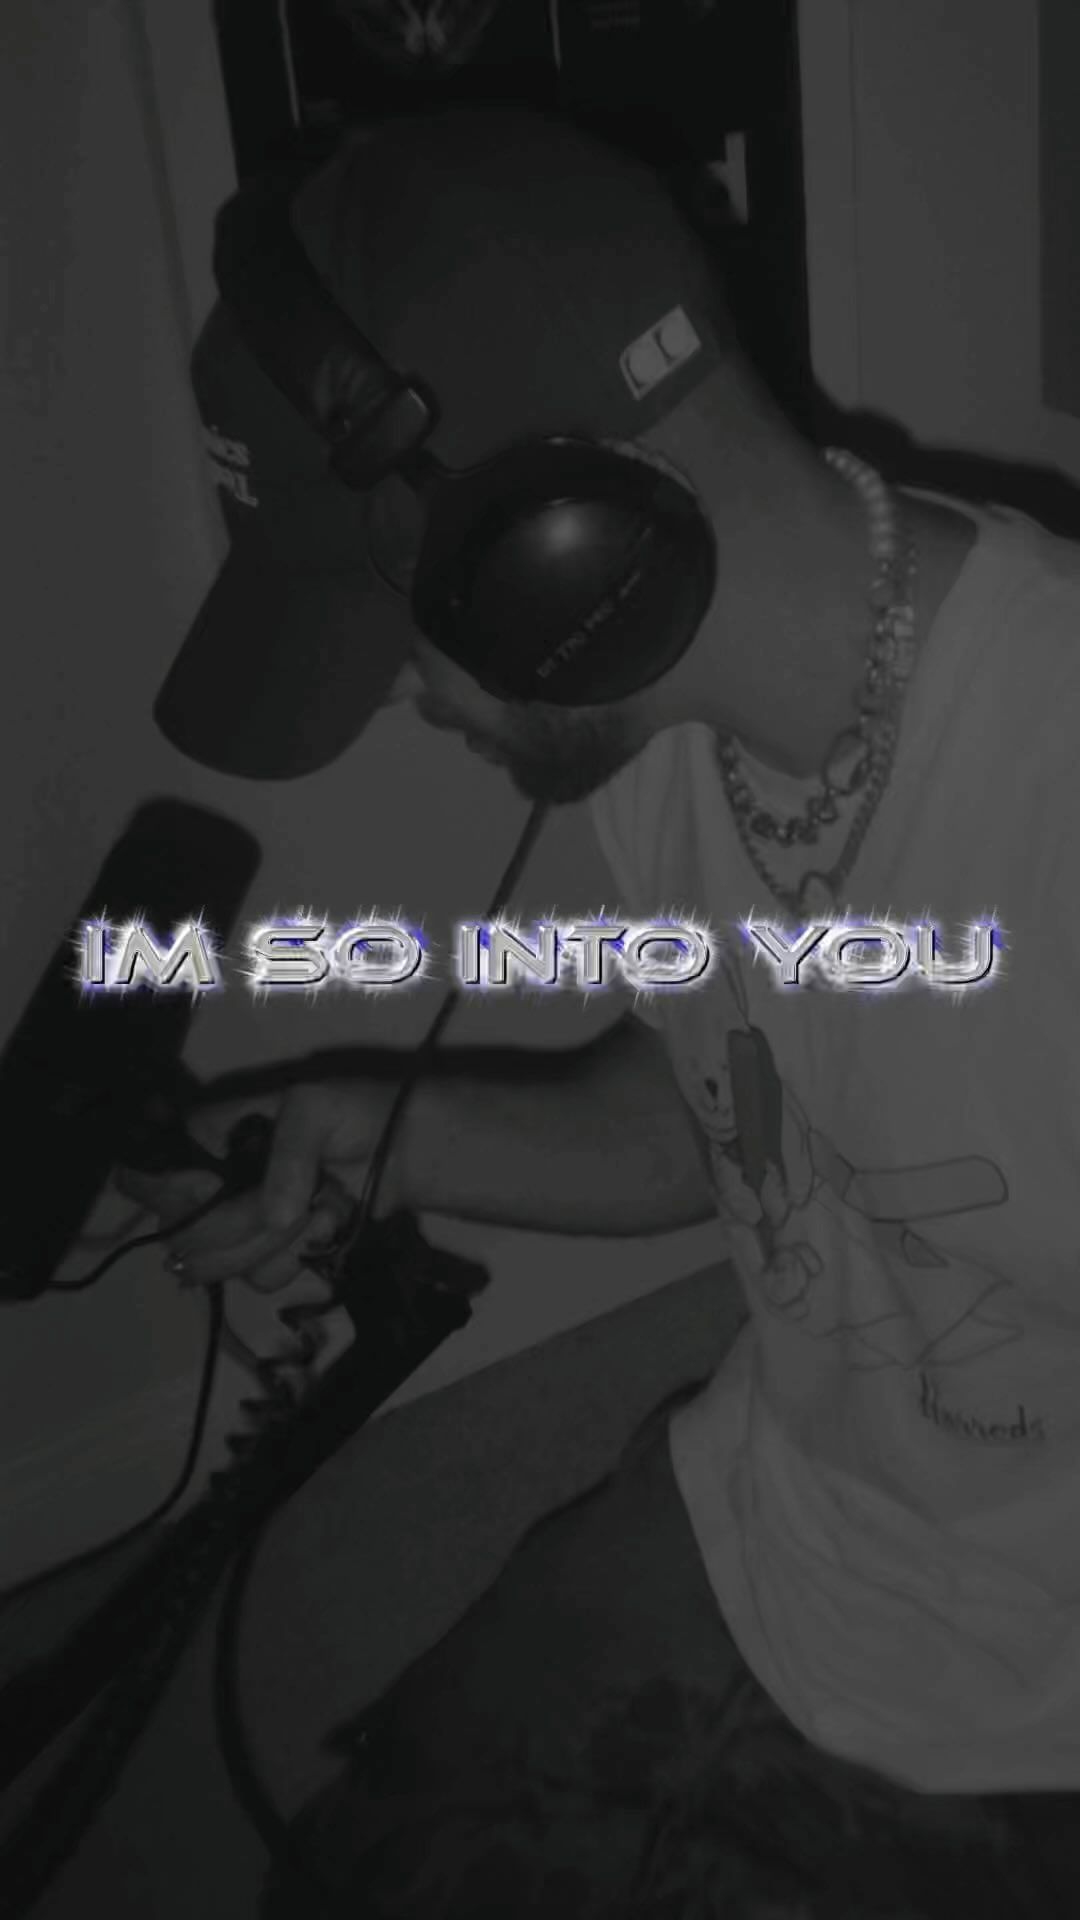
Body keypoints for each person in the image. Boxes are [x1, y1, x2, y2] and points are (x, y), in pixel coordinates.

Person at [128, 107, 1080, 1914]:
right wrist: (392, 1139)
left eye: (395, 629)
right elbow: (720, 1108)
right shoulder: (654, 738)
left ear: (561, 547)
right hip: (777, 1515)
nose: (399, 694)